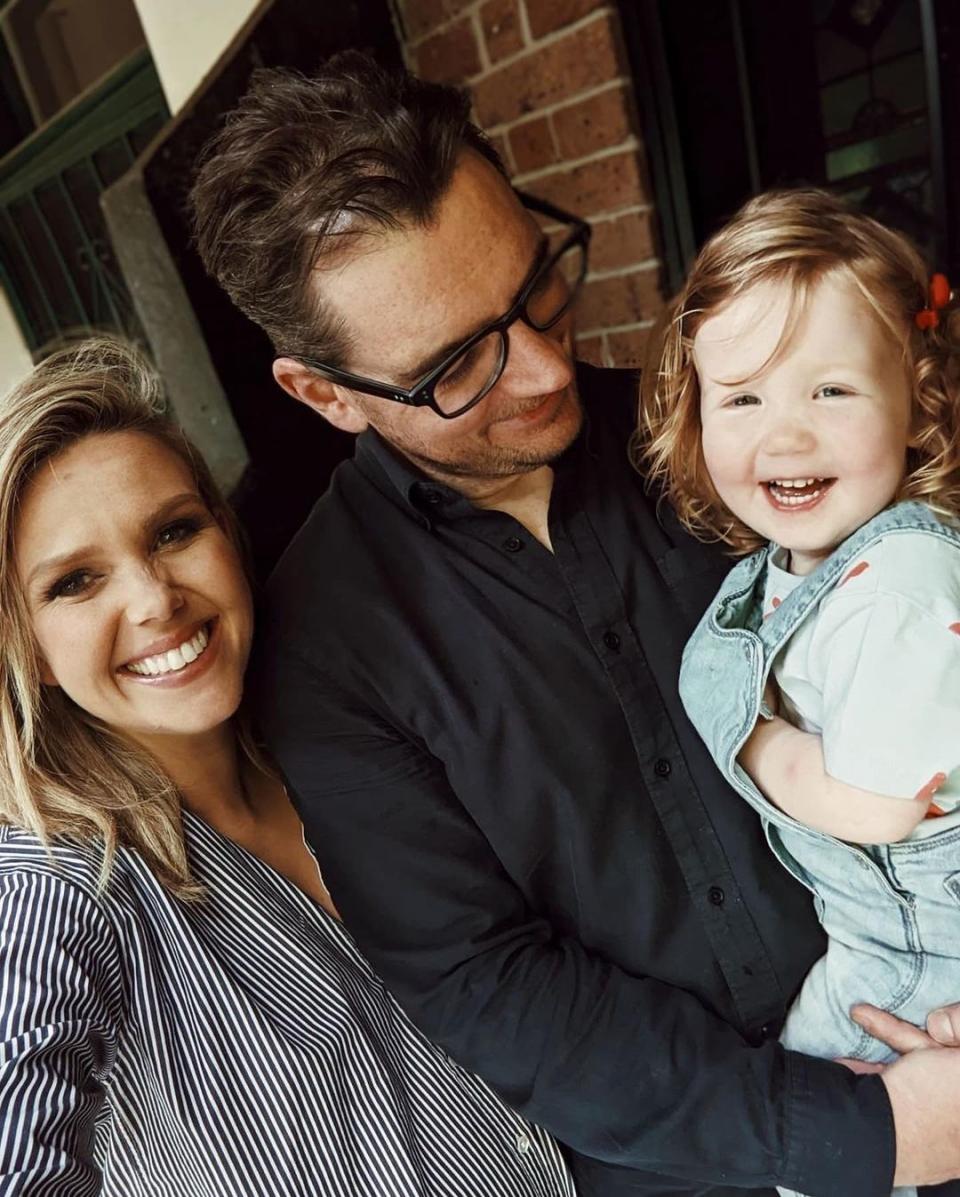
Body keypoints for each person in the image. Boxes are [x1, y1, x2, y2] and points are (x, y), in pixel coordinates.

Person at [188, 53, 960, 1197]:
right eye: (457, 366)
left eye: (538, 285)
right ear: (325, 394)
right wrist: (856, 1131)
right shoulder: (322, 652)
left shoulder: (743, 445)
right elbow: (488, 984)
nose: (548, 367)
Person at [0, 337, 575, 1197]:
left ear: (226, 538)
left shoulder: (343, 747)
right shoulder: (60, 883)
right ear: (31, 651)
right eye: (76, 583)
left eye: (174, 531)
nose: (155, 599)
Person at [638, 188, 960, 1197]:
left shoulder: (899, 583)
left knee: (815, 1137)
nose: (785, 437)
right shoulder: (793, 560)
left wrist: (756, 743)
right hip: (883, 928)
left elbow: (878, 804)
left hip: (921, 946)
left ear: (916, 399)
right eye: (743, 399)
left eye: (831, 392)